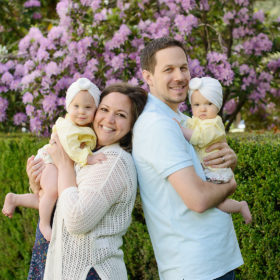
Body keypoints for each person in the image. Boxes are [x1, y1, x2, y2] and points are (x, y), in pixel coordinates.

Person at [132, 37, 244, 280]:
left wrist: (228, 160)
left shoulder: (183, 120)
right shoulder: (157, 125)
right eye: (168, 69)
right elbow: (198, 200)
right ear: (148, 77)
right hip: (195, 267)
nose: (180, 76)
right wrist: (231, 183)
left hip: (214, 260)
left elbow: (204, 173)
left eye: (183, 67)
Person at [27, 83, 147, 280]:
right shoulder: (87, 152)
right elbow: (62, 200)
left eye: (121, 115)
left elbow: (77, 219)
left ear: (132, 125)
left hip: (89, 272)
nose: (109, 120)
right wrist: (37, 182)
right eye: (105, 109)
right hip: (58, 267)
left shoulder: (114, 161)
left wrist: (64, 164)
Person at [2, 77, 105, 241]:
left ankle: (15, 198)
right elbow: (71, 146)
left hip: (55, 162)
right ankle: (44, 223)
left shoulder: (85, 128)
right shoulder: (69, 126)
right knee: (51, 192)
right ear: (68, 107)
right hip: (49, 160)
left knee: (47, 197)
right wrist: (88, 158)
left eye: (88, 107)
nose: (81, 111)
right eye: (76, 106)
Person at [178, 76, 252, 224]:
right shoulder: (196, 120)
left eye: (209, 103)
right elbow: (191, 125)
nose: (202, 109)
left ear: (218, 105)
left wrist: (180, 130)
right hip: (208, 169)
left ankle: (240, 206)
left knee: (218, 202)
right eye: (197, 104)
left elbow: (201, 137)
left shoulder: (214, 123)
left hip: (215, 171)